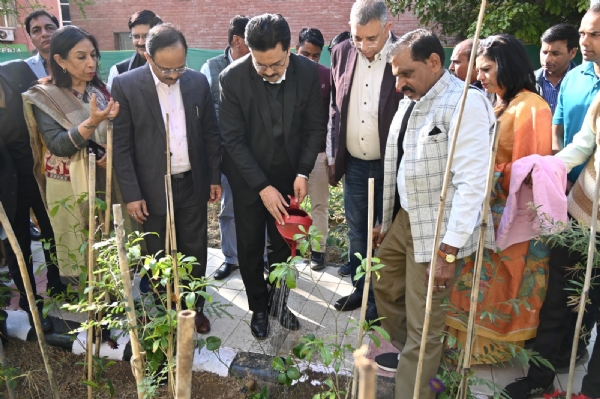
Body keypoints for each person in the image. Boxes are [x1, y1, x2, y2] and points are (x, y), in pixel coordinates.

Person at [371, 29, 495, 398]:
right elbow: (401, 162)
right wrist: (386, 217)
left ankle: (416, 386)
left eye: (405, 73)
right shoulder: (414, 98)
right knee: (383, 283)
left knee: (425, 321)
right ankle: (416, 352)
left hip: (438, 230)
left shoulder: (465, 104)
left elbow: (473, 183)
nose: (399, 84)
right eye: (395, 75)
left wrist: (449, 250)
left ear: (434, 62)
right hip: (406, 218)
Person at [504, 8, 600, 399]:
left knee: (588, 305)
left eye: (592, 34)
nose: (584, 41)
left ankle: (583, 380)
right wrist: (544, 170)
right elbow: (582, 143)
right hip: (581, 210)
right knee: (560, 296)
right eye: (582, 33)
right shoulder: (581, 82)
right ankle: (539, 378)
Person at [445, 33, 553, 364]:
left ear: (507, 66)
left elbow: (530, 171)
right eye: (479, 69)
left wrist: (489, 172)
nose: (479, 77)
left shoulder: (533, 108)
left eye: (487, 69)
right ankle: (463, 347)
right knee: (474, 281)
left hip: (511, 215)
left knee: (502, 285)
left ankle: (488, 352)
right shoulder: (498, 102)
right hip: (485, 211)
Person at [219, 13, 325, 339]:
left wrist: (303, 171)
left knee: (283, 246)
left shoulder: (308, 73)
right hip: (249, 177)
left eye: (276, 65)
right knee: (250, 247)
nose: (268, 72)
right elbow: (232, 139)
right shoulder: (232, 78)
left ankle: (279, 302)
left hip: (288, 174)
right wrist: (261, 186)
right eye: (260, 65)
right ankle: (259, 309)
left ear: (289, 49)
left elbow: (314, 128)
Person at [111, 23, 221, 334]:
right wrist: (132, 193)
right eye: (166, 69)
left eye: (180, 67)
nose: (174, 75)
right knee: (156, 248)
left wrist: (214, 176)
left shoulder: (197, 82)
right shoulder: (126, 85)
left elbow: (211, 133)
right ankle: (164, 307)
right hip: (150, 185)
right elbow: (121, 144)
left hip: (191, 180)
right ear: (148, 56)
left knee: (195, 247)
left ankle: (193, 307)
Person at [22, 26, 119, 281]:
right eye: (81, 56)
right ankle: (91, 309)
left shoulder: (99, 90)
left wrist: (113, 149)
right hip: (69, 188)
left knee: (108, 243)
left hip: (101, 179)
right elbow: (58, 145)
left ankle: (111, 299)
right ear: (60, 60)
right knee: (80, 250)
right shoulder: (45, 96)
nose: (91, 63)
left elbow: (114, 133)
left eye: (94, 55)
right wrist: (92, 122)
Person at [328, 0, 403, 323]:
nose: (363, 46)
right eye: (358, 38)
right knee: (357, 232)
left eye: (371, 39)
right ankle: (362, 290)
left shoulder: (405, 54)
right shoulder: (342, 52)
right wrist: (333, 152)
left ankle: (380, 301)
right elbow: (335, 104)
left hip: (392, 165)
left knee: (385, 235)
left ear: (388, 27)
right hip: (355, 164)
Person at [199, 15, 255, 281]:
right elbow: (203, 117)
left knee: (260, 206)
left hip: (255, 153)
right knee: (229, 207)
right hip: (223, 155)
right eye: (251, 43)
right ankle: (232, 258)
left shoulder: (258, 66)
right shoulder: (210, 69)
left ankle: (261, 257)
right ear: (237, 40)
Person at [295, 27, 330, 270]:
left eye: (315, 55)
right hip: (289, 152)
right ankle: (291, 247)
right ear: (294, 49)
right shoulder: (284, 73)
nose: (310, 60)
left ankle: (318, 251)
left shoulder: (327, 76)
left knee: (320, 203)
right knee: (290, 203)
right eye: (305, 54)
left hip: (318, 152)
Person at [106, 10, 162, 89]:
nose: (141, 42)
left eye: (146, 36)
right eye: (136, 37)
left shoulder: (173, 69)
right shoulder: (119, 71)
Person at [535, 23, 579, 115]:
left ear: (572, 53)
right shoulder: (528, 81)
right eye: (544, 52)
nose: (547, 59)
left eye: (555, 53)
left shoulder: (584, 81)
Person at [24, 10, 59, 79]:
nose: (44, 34)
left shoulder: (75, 62)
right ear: (31, 39)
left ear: (59, 32)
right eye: (36, 31)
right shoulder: (24, 68)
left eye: (50, 28)